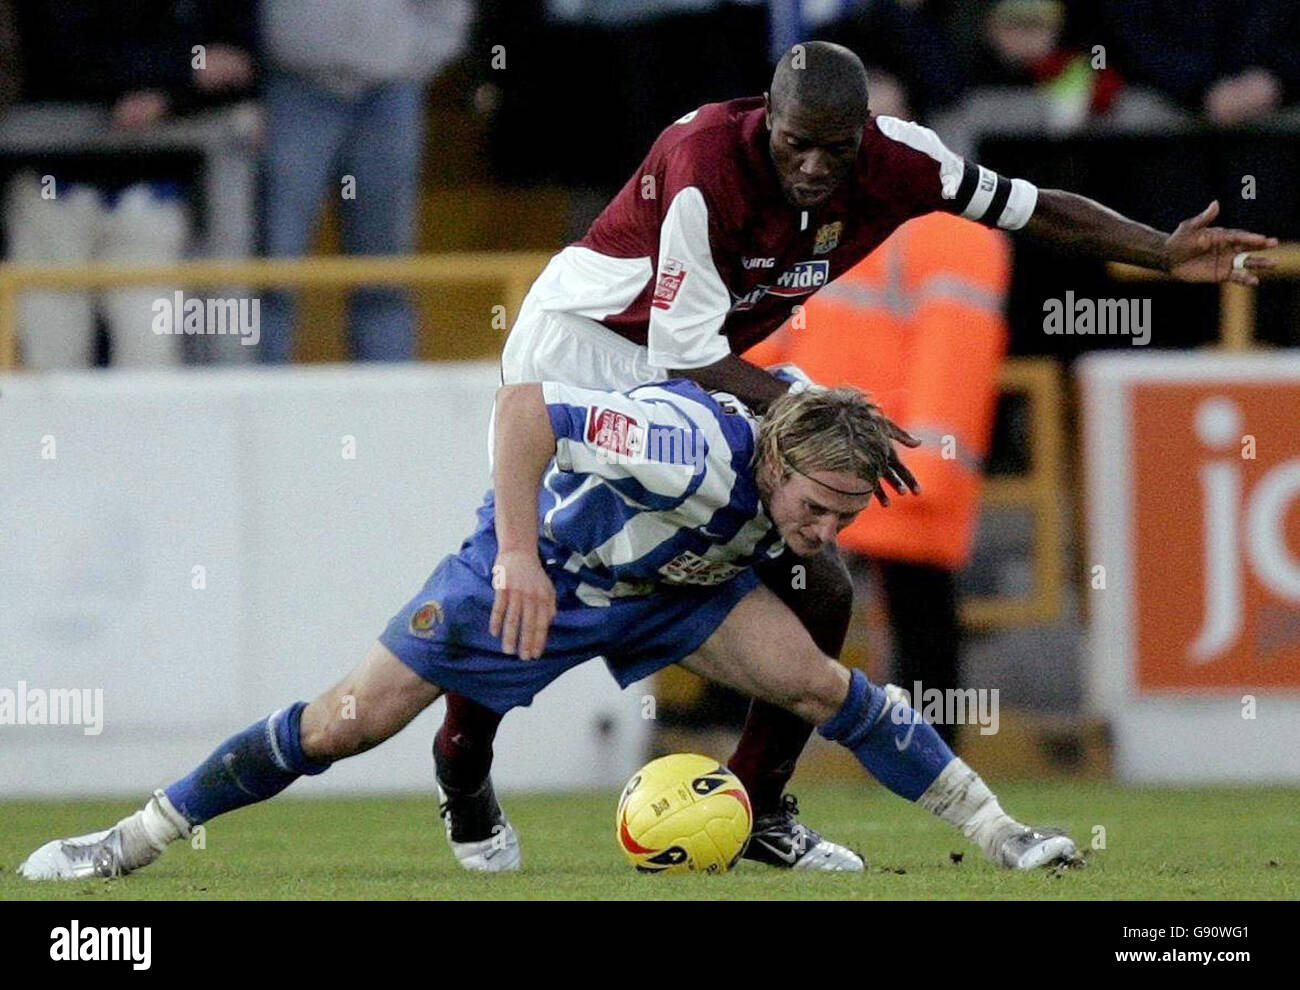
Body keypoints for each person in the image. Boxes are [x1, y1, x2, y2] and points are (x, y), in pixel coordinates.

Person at [429, 40, 1278, 874]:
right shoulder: (703, 165)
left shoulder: (903, 160)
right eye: (794, 143)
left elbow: (1031, 207)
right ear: (767, 119)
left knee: (821, 579)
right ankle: (464, 765)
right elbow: (683, 352)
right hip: (584, 350)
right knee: (543, 570)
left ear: (864, 134)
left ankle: (758, 801)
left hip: (695, 364)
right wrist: (826, 410)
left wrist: (1159, 251)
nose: (809, 166)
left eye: (832, 149)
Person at [18, 378, 1081, 881]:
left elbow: (812, 539)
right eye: (815, 505)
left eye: (845, 516)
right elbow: (528, 410)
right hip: (537, 573)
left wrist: (805, 544)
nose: (823, 528)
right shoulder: (682, 444)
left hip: (673, 592)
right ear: (772, 461)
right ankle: (126, 844)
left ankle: (1003, 834)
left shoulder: (807, 454)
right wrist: (517, 555)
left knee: (816, 681)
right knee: (346, 724)